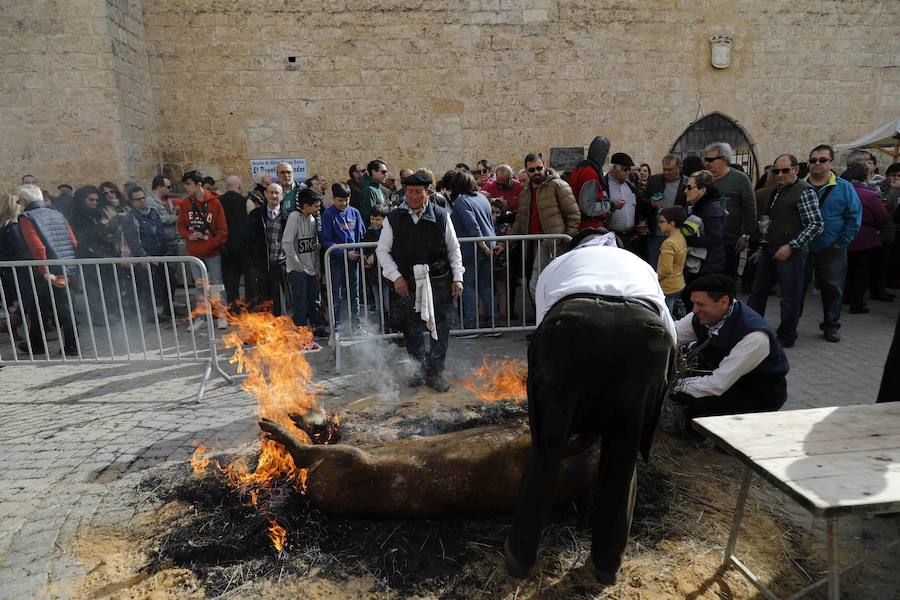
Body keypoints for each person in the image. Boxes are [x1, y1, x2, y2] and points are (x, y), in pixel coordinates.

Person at [504, 227, 676, 586]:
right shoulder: (638, 264)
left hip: (570, 326)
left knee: (546, 453)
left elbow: (543, 332)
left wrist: (558, 409)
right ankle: (606, 565)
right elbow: (668, 330)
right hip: (645, 335)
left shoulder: (560, 264)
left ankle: (520, 557)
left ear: (579, 247)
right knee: (622, 459)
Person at [376, 170, 464, 392]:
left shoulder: (442, 216)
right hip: (406, 283)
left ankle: (435, 373)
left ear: (428, 192)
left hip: (438, 281)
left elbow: (454, 249)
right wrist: (396, 277)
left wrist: (458, 277)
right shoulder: (393, 218)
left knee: (440, 330)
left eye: (418, 192)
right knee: (411, 329)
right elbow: (382, 252)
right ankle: (418, 369)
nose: (413, 196)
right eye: (409, 192)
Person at [671, 274, 789, 422]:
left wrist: (672, 385)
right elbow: (672, 334)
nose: (694, 310)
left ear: (724, 302)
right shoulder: (703, 316)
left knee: (687, 400)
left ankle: (703, 436)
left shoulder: (754, 335)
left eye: (701, 304)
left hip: (756, 395)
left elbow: (717, 384)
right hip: (730, 380)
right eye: (693, 303)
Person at [747, 154, 823, 348]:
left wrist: (791, 245)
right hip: (770, 249)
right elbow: (772, 224)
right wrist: (761, 249)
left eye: (785, 170)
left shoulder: (804, 191)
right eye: (776, 171)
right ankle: (751, 330)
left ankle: (787, 335)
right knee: (757, 292)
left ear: (796, 170)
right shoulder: (776, 190)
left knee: (789, 296)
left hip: (792, 254)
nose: (780, 174)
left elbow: (815, 224)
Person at [800, 145, 861, 342]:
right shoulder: (799, 186)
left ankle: (831, 325)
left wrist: (842, 242)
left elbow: (854, 217)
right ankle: (790, 324)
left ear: (831, 162)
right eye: (813, 160)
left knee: (833, 289)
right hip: (802, 247)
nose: (817, 163)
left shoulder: (844, 187)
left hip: (832, 248)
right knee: (796, 288)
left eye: (822, 160)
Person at [504, 152, 580, 300]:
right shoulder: (525, 193)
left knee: (537, 285)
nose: (536, 172)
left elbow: (574, 215)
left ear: (544, 166)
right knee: (540, 286)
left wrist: (565, 240)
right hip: (532, 244)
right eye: (531, 170)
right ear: (526, 171)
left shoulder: (557, 185)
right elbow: (520, 221)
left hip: (551, 243)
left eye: (539, 168)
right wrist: (505, 243)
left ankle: (546, 318)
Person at [15, 184, 79, 356]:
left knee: (61, 309)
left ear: (25, 200)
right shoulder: (57, 213)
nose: (19, 203)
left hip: (47, 269)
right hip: (67, 265)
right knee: (41, 306)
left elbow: (38, 248)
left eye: (19, 200)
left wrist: (44, 271)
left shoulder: (27, 217)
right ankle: (36, 344)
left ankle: (72, 346)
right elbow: (73, 242)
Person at [177, 170, 229, 330]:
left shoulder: (215, 202)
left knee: (216, 285)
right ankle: (202, 317)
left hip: (212, 253)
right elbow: (180, 225)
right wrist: (189, 235)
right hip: (194, 253)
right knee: (199, 286)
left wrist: (210, 245)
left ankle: (221, 316)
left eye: (188, 184)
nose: (186, 187)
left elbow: (223, 230)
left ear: (198, 184)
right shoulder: (185, 204)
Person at [449, 170, 496, 330]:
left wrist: (482, 247)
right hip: (488, 243)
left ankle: (470, 325)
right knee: (485, 286)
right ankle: (493, 323)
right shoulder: (482, 197)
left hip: (473, 248)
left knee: (469, 286)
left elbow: (473, 227)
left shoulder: (462, 201)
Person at [703, 143, 756, 280]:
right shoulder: (703, 179)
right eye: (706, 159)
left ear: (724, 160)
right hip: (705, 240)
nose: (706, 163)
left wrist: (745, 235)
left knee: (726, 280)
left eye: (710, 160)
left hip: (729, 241)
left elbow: (750, 208)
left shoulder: (740, 179)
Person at [844, 162, 890, 314]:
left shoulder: (844, 191)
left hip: (844, 236)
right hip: (865, 238)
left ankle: (846, 297)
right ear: (866, 176)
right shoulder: (870, 195)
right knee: (861, 273)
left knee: (848, 270)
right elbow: (882, 217)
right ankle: (857, 304)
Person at [322, 182, 365, 334]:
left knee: (355, 293)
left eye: (347, 199)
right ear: (333, 199)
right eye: (340, 200)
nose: (344, 203)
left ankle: (357, 325)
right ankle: (336, 326)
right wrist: (344, 253)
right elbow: (326, 240)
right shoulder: (328, 214)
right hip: (336, 261)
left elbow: (361, 235)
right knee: (337, 294)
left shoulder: (355, 212)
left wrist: (361, 253)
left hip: (354, 261)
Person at [283, 188, 326, 338]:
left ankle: (317, 326)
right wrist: (297, 265)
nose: (318, 209)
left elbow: (315, 245)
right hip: (297, 269)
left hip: (311, 267)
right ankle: (300, 330)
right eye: (316, 206)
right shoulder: (294, 217)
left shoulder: (313, 219)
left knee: (315, 298)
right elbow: (287, 243)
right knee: (299, 300)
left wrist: (317, 265)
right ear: (306, 206)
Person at [125, 187, 171, 322]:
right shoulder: (130, 218)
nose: (143, 201)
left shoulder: (153, 213)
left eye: (143, 197)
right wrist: (142, 258)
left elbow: (160, 233)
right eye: (138, 199)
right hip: (146, 257)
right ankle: (152, 315)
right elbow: (133, 241)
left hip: (160, 254)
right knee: (148, 287)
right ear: (132, 202)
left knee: (162, 285)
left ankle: (164, 310)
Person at [245, 183, 287, 316]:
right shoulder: (256, 214)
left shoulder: (288, 216)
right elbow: (247, 238)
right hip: (261, 264)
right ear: (265, 194)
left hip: (280, 263)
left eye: (277, 193)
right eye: (271, 192)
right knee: (263, 299)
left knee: (280, 298)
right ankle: (266, 328)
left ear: (282, 195)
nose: (274, 195)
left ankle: (280, 326)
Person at [682, 170, 727, 281]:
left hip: (707, 268)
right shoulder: (700, 206)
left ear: (702, 190)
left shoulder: (710, 208)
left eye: (689, 187)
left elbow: (715, 238)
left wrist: (687, 237)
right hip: (701, 264)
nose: (685, 191)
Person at [645, 155, 688, 268]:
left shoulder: (687, 184)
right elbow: (642, 199)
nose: (666, 172)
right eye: (664, 169)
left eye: (670, 169)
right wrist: (650, 203)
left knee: (673, 268)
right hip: (657, 233)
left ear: (679, 168)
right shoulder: (654, 180)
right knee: (654, 266)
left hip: (677, 234)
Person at [219, 175, 253, 308]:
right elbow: (252, 224)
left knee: (231, 282)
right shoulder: (246, 201)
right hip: (244, 247)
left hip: (226, 248)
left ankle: (234, 308)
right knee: (249, 279)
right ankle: (250, 307)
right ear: (239, 186)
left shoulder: (218, 202)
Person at [569, 136, 611, 231]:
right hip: (590, 227)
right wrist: (611, 205)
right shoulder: (590, 173)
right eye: (606, 153)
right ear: (601, 155)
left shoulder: (579, 169)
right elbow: (589, 208)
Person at [362, 204, 390, 329]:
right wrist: (365, 257)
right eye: (372, 219)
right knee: (379, 303)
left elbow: (387, 247)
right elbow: (364, 247)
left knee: (388, 302)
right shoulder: (368, 233)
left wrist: (374, 254)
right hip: (373, 273)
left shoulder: (388, 232)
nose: (375, 222)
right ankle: (382, 325)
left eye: (378, 219)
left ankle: (390, 326)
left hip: (387, 274)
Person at [657, 206, 688, 316]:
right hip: (679, 283)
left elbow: (665, 270)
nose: (659, 224)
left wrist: (653, 279)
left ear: (672, 223)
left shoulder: (668, 243)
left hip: (668, 287)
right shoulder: (681, 237)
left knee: (666, 318)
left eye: (662, 221)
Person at [146, 175, 179, 257]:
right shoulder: (150, 201)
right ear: (159, 187)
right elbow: (159, 219)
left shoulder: (168, 200)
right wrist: (176, 217)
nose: (170, 189)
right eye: (168, 187)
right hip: (162, 243)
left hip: (173, 240)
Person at [354, 160, 387, 225]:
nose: (386, 175)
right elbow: (369, 216)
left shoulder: (378, 188)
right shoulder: (369, 190)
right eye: (383, 172)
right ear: (374, 172)